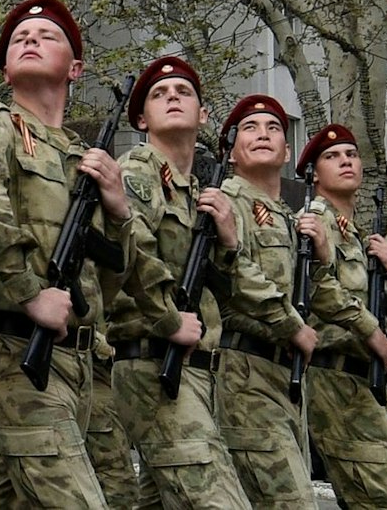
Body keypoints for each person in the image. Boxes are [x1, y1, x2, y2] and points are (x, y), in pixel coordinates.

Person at [0, 0, 129, 508]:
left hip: (77, 360)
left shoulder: (83, 158)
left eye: (47, 36)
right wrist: (31, 293)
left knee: (13, 498)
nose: (31, 39)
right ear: (5, 71)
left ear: (75, 69)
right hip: (12, 346)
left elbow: (111, 279)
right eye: (20, 39)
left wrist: (119, 212)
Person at [106, 56, 252, 510]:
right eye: (160, 94)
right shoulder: (137, 173)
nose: (173, 97)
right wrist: (169, 319)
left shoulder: (197, 194)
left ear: (203, 115)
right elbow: (134, 253)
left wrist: (229, 242)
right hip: (154, 362)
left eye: (184, 92)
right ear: (141, 119)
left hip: (196, 370)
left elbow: (227, 292)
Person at [293, 124, 387, 508]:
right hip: (333, 375)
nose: (345, 161)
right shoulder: (315, 220)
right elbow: (315, 289)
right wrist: (370, 330)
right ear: (314, 174)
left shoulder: (356, 233)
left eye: (351, 155)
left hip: (364, 380)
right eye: (332, 157)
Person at [211, 94, 316, 509]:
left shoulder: (288, 217)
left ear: (287, 152)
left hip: (285, 376)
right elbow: (232, 281)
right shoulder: (226, 202)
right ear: (232, 153)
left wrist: (322, 257)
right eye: (250, 129)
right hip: (246, 374)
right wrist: (291, 326)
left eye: (274, 128)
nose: (263, 134)